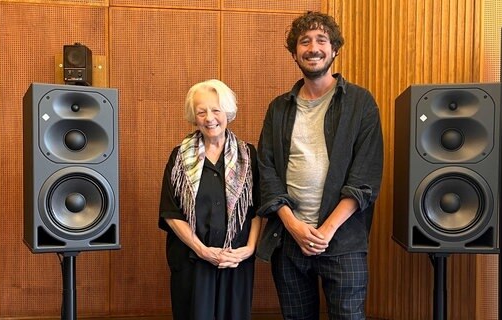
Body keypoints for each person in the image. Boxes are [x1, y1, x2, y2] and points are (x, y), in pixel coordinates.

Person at [256, 11, 384, 320]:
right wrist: (294, 226)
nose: (313, 47)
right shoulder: (278, 108)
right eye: (305, 41)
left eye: (321, 40)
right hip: (289, 240)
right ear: (294, 52)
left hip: (343, 239)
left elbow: (365, 176)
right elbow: (267, 169)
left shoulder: (360, 103)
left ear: (335, 48)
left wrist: (325, 231)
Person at [159, 79, 261, 320]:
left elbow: (257, 209)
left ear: (228, 112)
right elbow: (171, 214)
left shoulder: (249, 155)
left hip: (236, 262)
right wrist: (203, 250)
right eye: (201, 111)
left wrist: (249, 249)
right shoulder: (179, 157)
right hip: (193, 262)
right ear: (194, 117)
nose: (209, 118)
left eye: (216, 110)